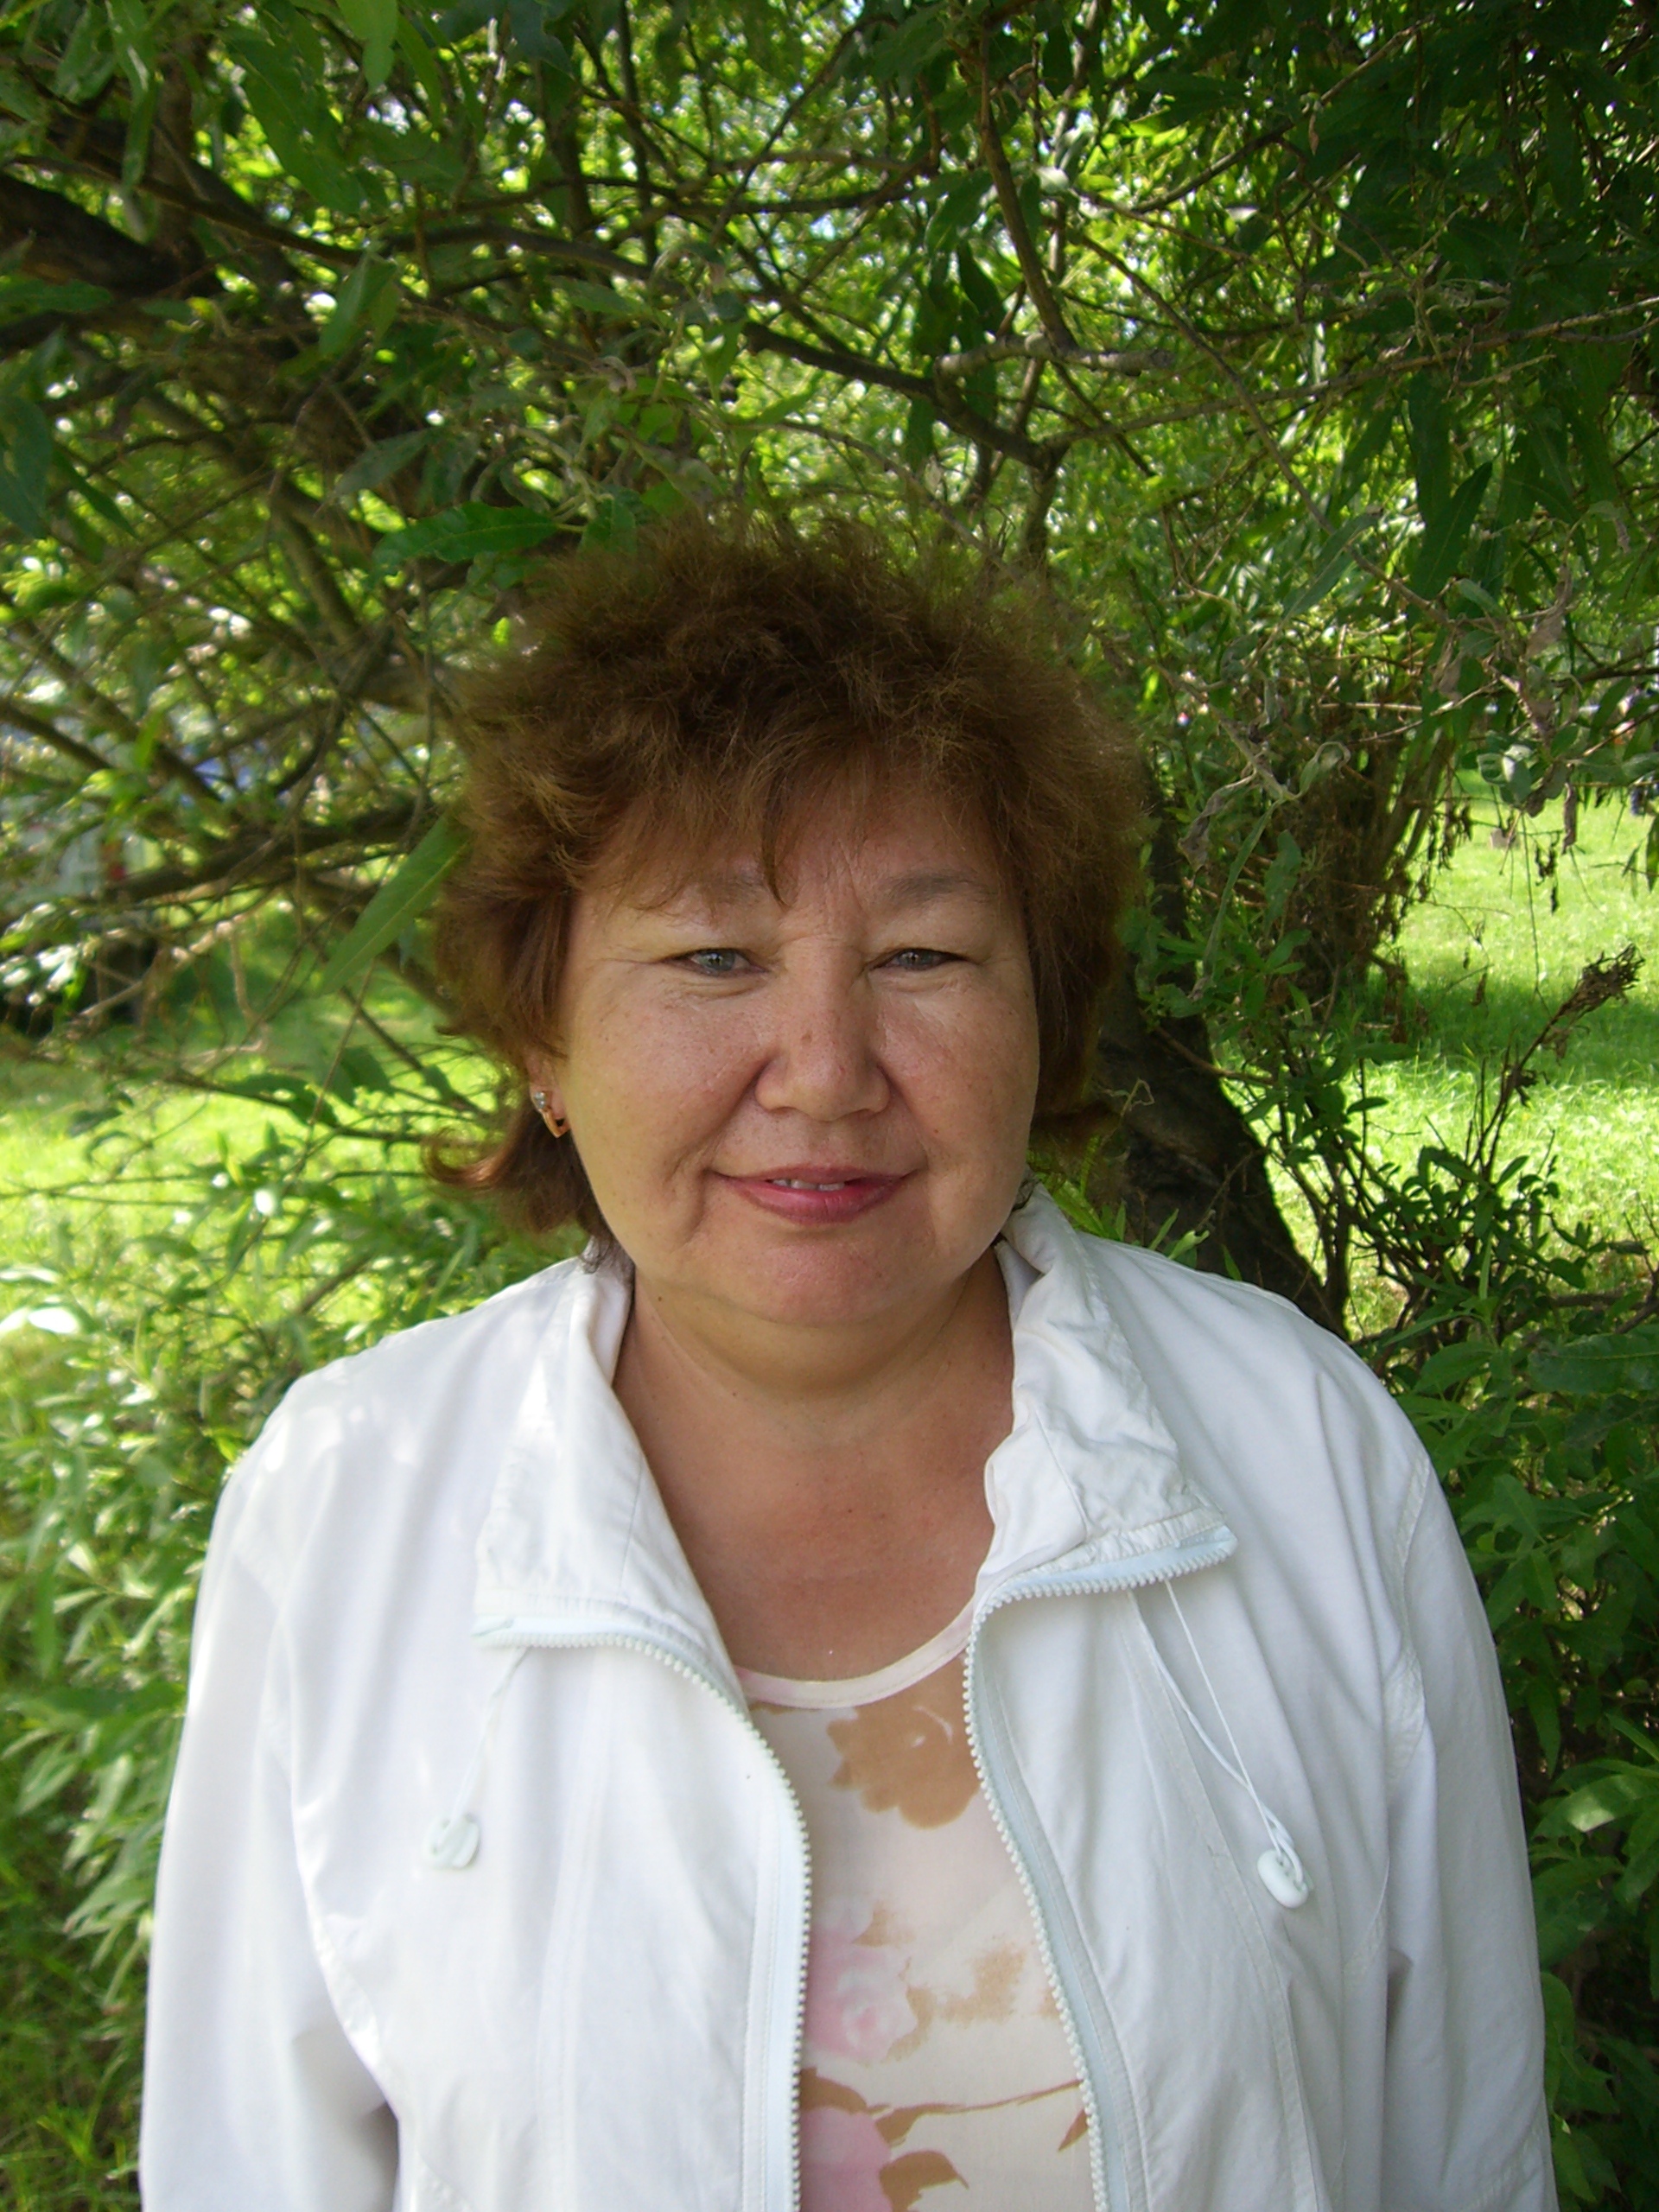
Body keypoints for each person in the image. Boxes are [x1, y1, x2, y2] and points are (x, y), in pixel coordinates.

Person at [141, 519, 1554, 2212]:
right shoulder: (345, 1504)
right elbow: (251, 2160)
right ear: (544, 1044)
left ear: (1044, 1014)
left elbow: (1463, 2141)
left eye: (921, 957)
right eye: (714, 957)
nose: (824, 1069)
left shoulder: (1303, 1447)